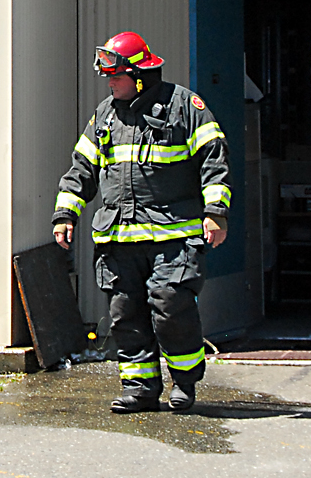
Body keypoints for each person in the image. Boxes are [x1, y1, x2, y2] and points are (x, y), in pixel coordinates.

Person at [52, 31, 232, 414]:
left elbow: (214, 162)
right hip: (120, 239)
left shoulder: (185, 106)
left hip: (174, 236)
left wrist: (216, 213)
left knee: (171, 307)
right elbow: (81, 168)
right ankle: (141, 390)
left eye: (115, 77)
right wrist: (66, 214)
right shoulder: (105, 115)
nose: (110, 84)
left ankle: (184, 383)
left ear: (138, 77)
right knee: (126, 316)